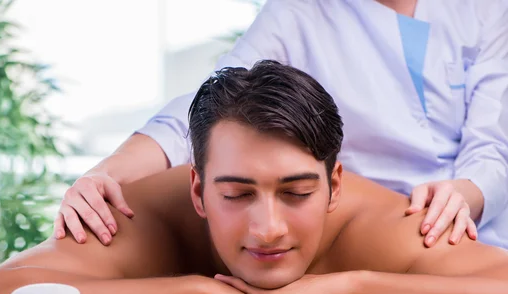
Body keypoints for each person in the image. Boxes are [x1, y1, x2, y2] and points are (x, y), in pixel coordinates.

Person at [0, 61, 508, 294]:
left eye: (296, 193)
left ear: (334, 185)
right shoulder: (145, 215)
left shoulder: (377, 227)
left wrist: (355, 287)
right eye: (237, 194)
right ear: (197, 189)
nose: (267, 228)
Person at [54, 0, 508, 250]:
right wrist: (108, 173)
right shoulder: (298, 13)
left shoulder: (488, 11)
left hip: (465, 225)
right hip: (360, 228)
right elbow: (209, 106)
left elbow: (494, 144)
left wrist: (465, 193)